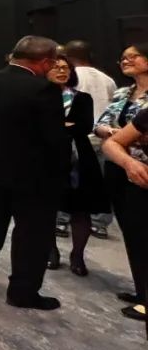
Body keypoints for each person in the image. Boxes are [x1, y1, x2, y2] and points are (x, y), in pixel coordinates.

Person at [0, 36, 69, 310]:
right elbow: (54, 139)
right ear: (45, 62)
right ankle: (22, 292)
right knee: (32, 233)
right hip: (33, 175)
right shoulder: (44, 89)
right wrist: (63, 171)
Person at [95, 42, 148, 321]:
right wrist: (115, 133)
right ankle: (142, 292)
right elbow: (100, 125)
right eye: (123, 58)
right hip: (119, 166)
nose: (125, 61)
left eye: (132, 57)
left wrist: (122, 135)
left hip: (142, 170)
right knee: (132, 231)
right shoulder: (122, 92)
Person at [40, 55, 103, 274]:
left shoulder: (82, 97)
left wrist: (58, 126)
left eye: (65, 67)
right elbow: (36, 126)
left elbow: (85, 126)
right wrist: (64, 125)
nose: (61, 71)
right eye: (56, 67)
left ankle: (78, 255)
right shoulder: (38, 97)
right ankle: (51, 251)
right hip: (46, 157)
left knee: (81, 209)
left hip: (79, 158)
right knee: (46, 207)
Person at [62, 40, 117, 239]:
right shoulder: (107, 79)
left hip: (75, 138)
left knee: (68, 181)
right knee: (99, 184)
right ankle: (99, 223)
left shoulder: (70, 77)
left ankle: (61, 220)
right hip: (101, 137)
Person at [100, 105, 148, 326]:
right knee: (137, 239)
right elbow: (112, 142)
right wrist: (130, 163)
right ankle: (142, 294)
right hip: (139, 185)